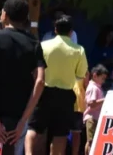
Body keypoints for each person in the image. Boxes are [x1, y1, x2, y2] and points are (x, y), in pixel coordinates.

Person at [0, 0, 47, 155]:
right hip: (18, 114)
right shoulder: (34, 43)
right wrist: (24, 120)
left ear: (4, 15)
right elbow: (40, 81)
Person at [26, 15, 86, 155]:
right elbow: (80, 74)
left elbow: (34, 70)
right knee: (60, 133)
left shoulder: (43, 45)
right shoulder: (79, 50)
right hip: (65, 95)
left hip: (43, 91)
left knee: (34, 128)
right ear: (71, 32)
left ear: (55, 30)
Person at [83, 65, 107, 153]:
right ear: (95, 75)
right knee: (91, 142)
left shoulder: (97, 87)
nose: (103, 81)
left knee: (92, 141)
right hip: (91, 118)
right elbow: (91, 104)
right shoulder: (93, 88)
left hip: (95, 118)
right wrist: (105, 99)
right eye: (102, 78)